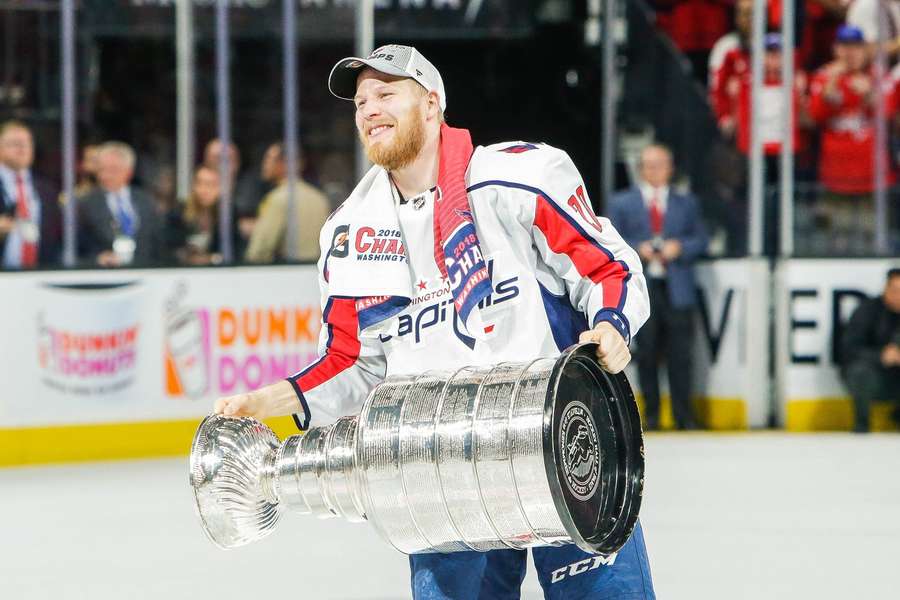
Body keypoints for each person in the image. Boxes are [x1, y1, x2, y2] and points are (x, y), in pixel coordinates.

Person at [212, 44, 655, 599]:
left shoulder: (518, 178)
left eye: (386, 92)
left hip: (562, 439)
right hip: (440, 466)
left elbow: (606, 267)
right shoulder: (348, 234)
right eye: (360, 100)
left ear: (432, 103)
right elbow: (352, 363)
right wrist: (270, 401)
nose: (369, 108)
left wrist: (611, 324)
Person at [609, 144, 708, 431]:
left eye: (660, 165)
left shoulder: (686, 202)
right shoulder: (622, 202)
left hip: (678, 288)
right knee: (647, 353)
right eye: (649, 165)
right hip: (643, 289)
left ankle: (683, 415)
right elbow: (611, 238)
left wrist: (680, 248)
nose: (655, 171)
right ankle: (650, 415)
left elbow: (700, 238)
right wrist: (636, 249)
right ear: (641, 168)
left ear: (670, 168)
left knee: (681, 355)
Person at [808, 24, 898, 254]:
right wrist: (831, 85)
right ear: (836, 49)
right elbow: (814, 116)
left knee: (873, 240)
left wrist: (869, 94)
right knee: (838, 240)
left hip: (873, 177)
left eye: (856, 47)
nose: (850, 53)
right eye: (845, 47)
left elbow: (887, 112)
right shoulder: (823, 76)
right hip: (835, 176)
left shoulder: (878, 76)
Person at [78, 141, 163, 267]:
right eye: (101, 170)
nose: (105, 176)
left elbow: (157, 242)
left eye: (113, 170)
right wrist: (97, 258)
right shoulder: (86, 203)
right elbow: (78, 247)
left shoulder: (146, 200)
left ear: (128, 172)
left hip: (145, 272)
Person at [244, 142, 331, 263]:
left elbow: (260, 250)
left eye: (268, 160)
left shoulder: (278, 198)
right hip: (315, 271)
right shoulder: (319, 198)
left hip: (283, 272)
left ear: (284, 163)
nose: (264, 165)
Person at [840, 268, 900, 432]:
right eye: (895, 290)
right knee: (860, 373)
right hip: (874, 374)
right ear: (886, 289)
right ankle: (862, 423)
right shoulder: (867, 311)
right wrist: (881, 356)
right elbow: (849, 349)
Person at [0, 120, 62, 269]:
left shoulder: (47, 189)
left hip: (39, 275)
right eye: (15, 143)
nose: (22, 149)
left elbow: (59, 235)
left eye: (27, 143)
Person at [167, 165, 239, 266]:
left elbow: (234, 253)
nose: (204, 190)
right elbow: (169, 251)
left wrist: (211, 259)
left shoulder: (228, 217)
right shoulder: (178, 214)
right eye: (199, 183)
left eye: (211, 184)